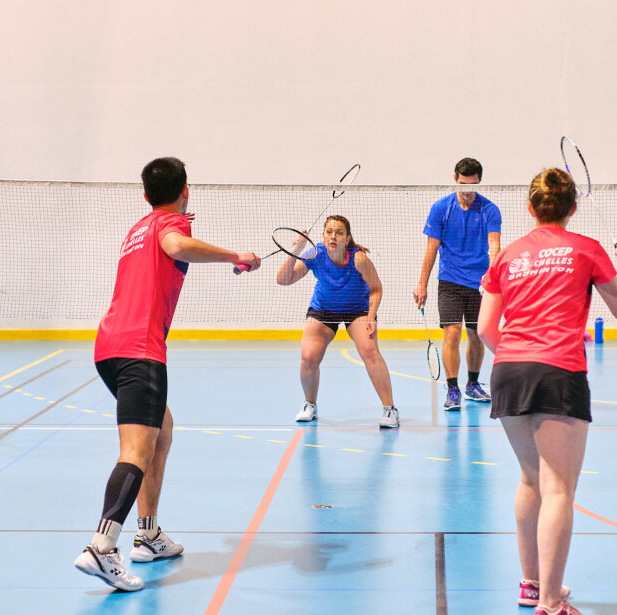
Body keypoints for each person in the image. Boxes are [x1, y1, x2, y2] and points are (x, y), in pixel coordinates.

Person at [77, 157, 262, 592]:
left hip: (109, 348)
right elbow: (177, 247)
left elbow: (168, 243)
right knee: (136, 452)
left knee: (163, 430)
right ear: (185, 190)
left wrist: (175, 221)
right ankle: (102, 547)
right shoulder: (170, 226)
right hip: (140, 351)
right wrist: (236, 255)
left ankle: (148, 534)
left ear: (145, 195)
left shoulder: (140, 228)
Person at [478, 167, 617, 615]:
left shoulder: (508, 255)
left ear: (530, 208)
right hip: (558, 372)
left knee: (531, 479)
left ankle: (532, 585)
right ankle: (551, 608)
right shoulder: (586, 249)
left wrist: (520, 356)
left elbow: (486, 328)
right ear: (573, 207)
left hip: (508, 371)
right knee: (558, 490)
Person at [275, 214, 399, 430]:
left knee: (370, 351)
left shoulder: (358, 259)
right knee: (309, 356)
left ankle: (390, 409)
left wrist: (371, 317)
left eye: (339, 233)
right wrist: (295, 250)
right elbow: (283, 280)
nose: (333, 236)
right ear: (323, 236)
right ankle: (309, 404)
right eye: (329, 232)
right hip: (324, 309)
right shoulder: (314, 254)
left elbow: (376, 288)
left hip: (357, 309)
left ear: (347, 238)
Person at [413, 158, 501, 413]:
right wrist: (422, 284)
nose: (467, 190)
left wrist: (492, 278)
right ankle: (453, 389)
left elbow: (494, 246)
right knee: (452, 332)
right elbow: (431, 249)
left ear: (479, 183)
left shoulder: (490, 210)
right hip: (450, 280)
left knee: (477, 334)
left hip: (480, 283)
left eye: (472, 185)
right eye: (463, 184)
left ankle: (472, 384)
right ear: (455, 179)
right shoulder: (441, 208)